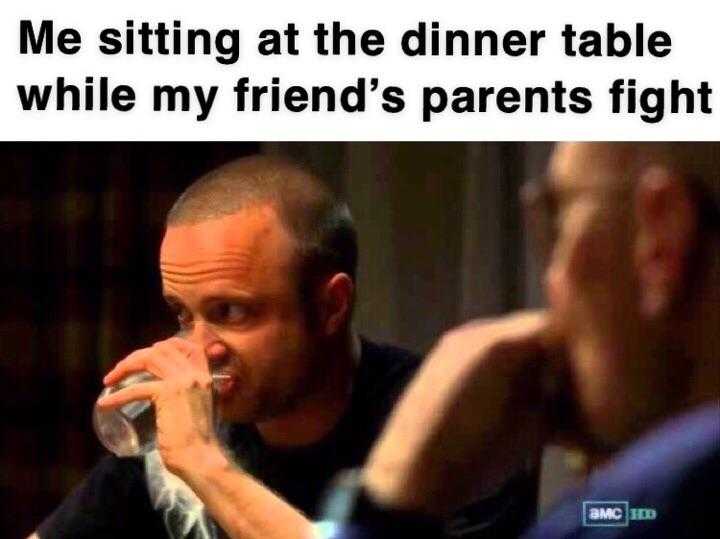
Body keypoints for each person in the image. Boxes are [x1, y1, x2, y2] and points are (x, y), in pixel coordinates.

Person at [32, 155, 537, 539]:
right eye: (184, 315)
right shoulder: (181, 429)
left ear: (330, 307)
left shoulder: (458, 423)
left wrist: (206, 464)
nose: (199, 349)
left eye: (231, 312)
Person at [322, 143, 720, 538]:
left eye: (559, 220)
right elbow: (627, 516)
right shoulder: (648, 504)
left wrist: (387, 498)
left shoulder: (672, 484)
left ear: (661, 240)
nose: (551, 282)